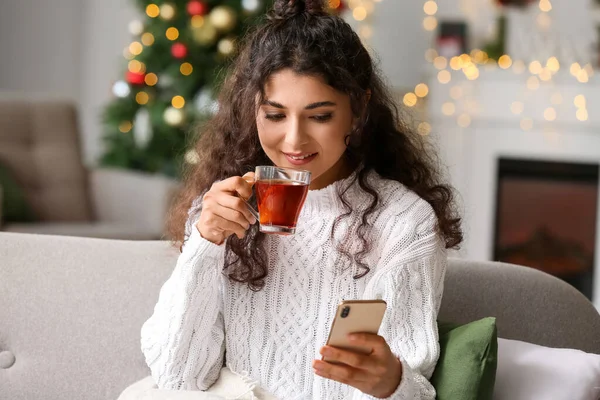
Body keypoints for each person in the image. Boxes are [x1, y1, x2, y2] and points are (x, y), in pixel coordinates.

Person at [141, 0, 463, 398]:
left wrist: (391, 384)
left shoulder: (403, 224)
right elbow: (176, 378)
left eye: (320, 116)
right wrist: (204, 245)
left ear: (358, 109)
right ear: (253, 110)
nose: (294, 140)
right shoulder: (222, 209)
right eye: (275, 115)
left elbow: (410, 384)